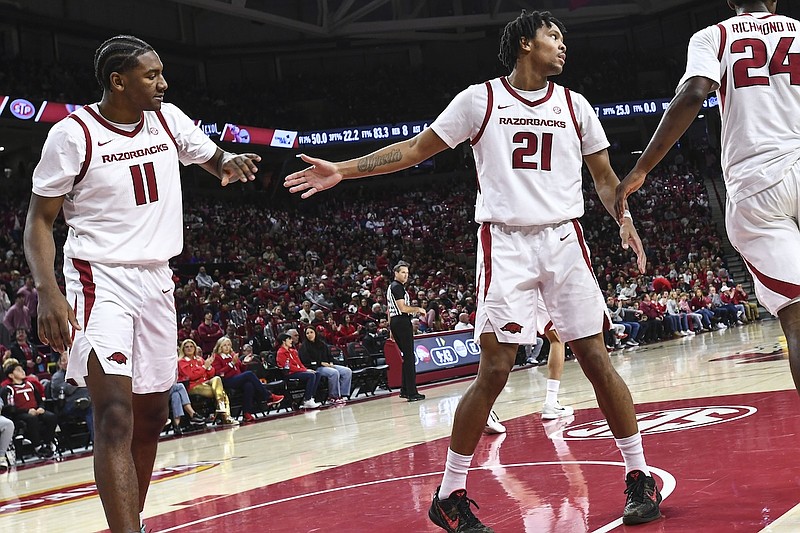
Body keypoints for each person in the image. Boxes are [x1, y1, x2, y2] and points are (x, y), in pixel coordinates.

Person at [285, 10, 660, 530]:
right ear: (526, 44)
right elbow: (416, 150)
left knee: (596, 358)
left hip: (564, 238)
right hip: (505, 241)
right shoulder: (480, 99)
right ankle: (450, 493)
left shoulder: (577, 105)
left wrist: (623, 216)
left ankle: (640, 476)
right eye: (554, 36)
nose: (563, 44)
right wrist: (345, 169)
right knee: (496, 369)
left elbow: (603, 176)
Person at [23, 34, 260, 533]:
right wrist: (48, 291)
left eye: (161, 73)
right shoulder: (73, 134)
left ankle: (131, 523)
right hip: (97, 279)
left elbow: (213, 160)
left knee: (150, 417)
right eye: (151, 75)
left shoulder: (169, 120)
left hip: (156, 280)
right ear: (118, 81)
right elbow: (39, 221)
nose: (162, 82)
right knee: (113, 415)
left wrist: (229, 165)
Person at [617, 1, 800, 403]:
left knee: (797, 319)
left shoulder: (713, 35)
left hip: (758, 183)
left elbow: (695, 93)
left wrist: (642, 168)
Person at [210, 337, 283, 423]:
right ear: (220, 347)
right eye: (224, 345)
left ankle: (246, 413)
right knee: (249, 374)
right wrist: (231, 364)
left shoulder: (232, 355)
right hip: (226, 381)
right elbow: (219, 373)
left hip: (237, 378)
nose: (227, 347)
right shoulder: (217, 357)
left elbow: (241, 370)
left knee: (249, 385)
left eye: (229, 345)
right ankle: (269, 396)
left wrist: (244, 363)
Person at [386, 261, 426, 402]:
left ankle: (404, 390)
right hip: (402, 322)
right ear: (396, 273)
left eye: (407, 273)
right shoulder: (397, 287)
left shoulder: (393, 287)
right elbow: (402, 308)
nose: (405, 275)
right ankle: (411, 392)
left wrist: (391, 328)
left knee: (407, 357)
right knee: (409, 358)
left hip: (397, 323)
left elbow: (389, 310)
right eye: (403, 272)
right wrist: (418, 309)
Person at [1, 361, 57, 458]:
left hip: (35, 410)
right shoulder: (8, 389)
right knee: (31, 419)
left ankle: (48, 443)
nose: (22, 371)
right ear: (11, 375)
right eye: (18, 370)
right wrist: (26, 411)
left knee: (51, 417)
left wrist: (41, 407)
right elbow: (9, 408)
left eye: (22, 369)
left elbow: (40, 400)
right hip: (20, 414)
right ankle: (38, 447)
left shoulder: (30, 384)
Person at [177, 339, 238, 426]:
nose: (189, 348)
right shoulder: (181, 362)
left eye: (191, 346)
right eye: (187, 347)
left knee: (217, 378)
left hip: (205, 383)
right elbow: (191, 376)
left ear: (195, 348)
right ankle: (226, 416)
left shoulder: (199, 359)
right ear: (183, 349)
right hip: (193, 386)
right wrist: (204, 367)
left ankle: (221, 410)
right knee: (221, 393)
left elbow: (211, 374)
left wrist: (209, 367)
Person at [298, 325, 352, 405]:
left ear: (315, 333)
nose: (309, 335)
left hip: (327, 365)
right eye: (307, 333)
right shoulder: (304, 347)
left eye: (311, 332)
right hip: (316, 368)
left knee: (347, 371)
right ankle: (333, 396)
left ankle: (343, 394)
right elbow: (306, 362)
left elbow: (329, 356)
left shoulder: (322, 344)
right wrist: (320, 363)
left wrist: (331, 362)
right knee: (334, 373)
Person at [51, 352, 94, 442]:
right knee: (90, 409)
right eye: (63, 360)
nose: (66, 363)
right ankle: (96, 440)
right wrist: (78, 377)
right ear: (59, 363)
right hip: (67, 406)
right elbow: (68, 390)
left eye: (69, 360)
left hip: (87, 402)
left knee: (97, 407)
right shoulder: (57, 377)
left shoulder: (81, 373)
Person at [275, 332, 322, 409]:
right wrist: (304, 370)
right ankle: (307, 399)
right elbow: (288, 367)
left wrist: (306, 369)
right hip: (290, 374)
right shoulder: (280, 353)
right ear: (284, 341)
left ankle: (311, 397)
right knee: (311, 375)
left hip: (299, 371)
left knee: (317, 374)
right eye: (289, 339)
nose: (291, 341)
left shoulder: (293, 351)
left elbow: (299, 363)